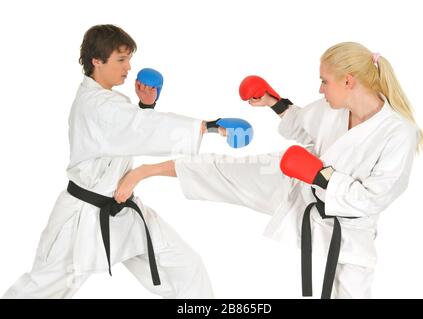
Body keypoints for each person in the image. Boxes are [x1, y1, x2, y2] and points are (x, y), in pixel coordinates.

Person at [113, 42, 423, 298]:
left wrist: (320, 175)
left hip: (348, 229)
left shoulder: (398, 133)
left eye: (324, 81)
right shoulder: (337, 107)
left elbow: (373, 198)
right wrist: (272, 101)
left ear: (349, 81)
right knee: (222, 170)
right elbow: (303, 123)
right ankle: (146, 171)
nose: (320, 89)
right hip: (295, 186)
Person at [1, 24, 248, 299]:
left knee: (186, 269)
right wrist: (211, 126)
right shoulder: (97, 105)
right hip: (82, 218)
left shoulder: (110, 100)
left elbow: (130, 132)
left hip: (122, 208)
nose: (128, 67)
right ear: (96, 60)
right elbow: (139, 128)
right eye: (121, 59)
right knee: (42, 289)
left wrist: (145, 106)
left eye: (129, 59)